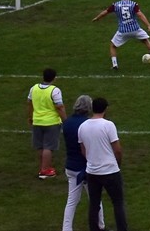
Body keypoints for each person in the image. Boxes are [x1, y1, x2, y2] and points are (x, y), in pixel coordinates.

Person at [78, 96, 129, 231]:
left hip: (92, 171)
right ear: (105, 109)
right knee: (118, 202)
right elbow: (117, 150)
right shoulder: (108, 125)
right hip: (110, 170)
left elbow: (83, 150)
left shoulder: (82, 127)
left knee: (94, 204)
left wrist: (92, 161)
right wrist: (117, 164)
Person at [61, 94, 105, 231]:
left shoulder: (67, 122)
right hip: (85, 167)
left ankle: (66, 228)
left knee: (72, 201)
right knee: (95, 199)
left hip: (71, 166)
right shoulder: (87, 124)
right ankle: (100, 225)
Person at [91, 0, 150, 70]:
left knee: (113, 46)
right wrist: (148, 25)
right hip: (135, 29)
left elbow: (105, 12)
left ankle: (115, 65)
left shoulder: (116, 5)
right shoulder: (133, 4)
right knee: (145, 40)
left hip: (123, 31)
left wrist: (97, 18)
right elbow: (140, 15)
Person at [28, 67, 67, 179]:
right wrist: (65, 120)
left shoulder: (33, 88)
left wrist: (30, 116)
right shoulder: (55, 91)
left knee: (40, 146)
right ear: (54, 78)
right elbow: (59, 107)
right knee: (48, 147)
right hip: (51, 122)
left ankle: (43, 167)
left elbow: (29, 103)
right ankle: (45, 171)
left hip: (37, 121)